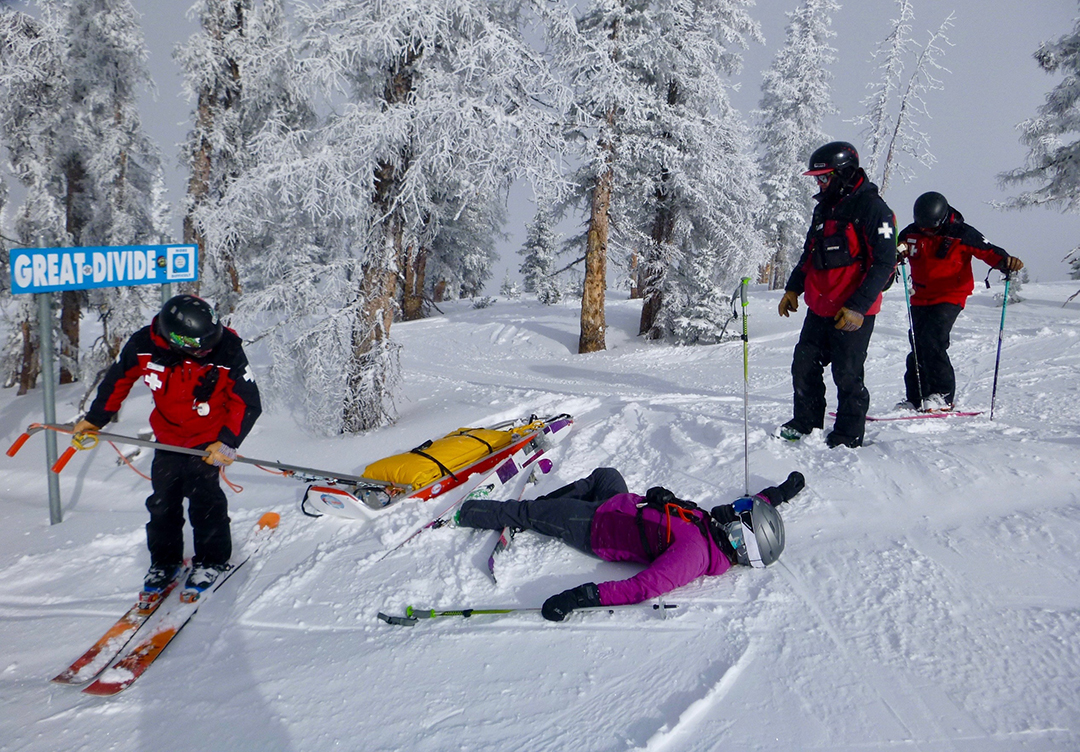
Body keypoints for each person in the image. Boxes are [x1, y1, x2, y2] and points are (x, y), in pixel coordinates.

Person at [71, 294, 261, 595]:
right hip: (169, 438)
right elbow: (117, 380)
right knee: (163, 502)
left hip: (207, 441)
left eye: (212, 340)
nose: (210, 348)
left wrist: (227, 442)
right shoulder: (143, 346)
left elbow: (248, 402)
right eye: (202, 346)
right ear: (177, 340)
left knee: (205, 501)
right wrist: (96, 419)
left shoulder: (227, 350)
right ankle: (165, 561)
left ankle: (211, 560)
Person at [455, 467, 805, 621]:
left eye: (741, 514)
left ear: (739, 539)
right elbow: (756, 502)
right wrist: (782, 492)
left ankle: (465, 512)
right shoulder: (715, 528)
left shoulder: (694, 555)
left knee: (525, 512)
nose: (735, 507)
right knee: (606, 475)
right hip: (620, 504)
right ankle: (551, 505)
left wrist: (577, 598)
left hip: (596, 527)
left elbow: (642, 588)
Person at [777, 141, 897, 448]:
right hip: (820, 306)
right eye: (817, 178)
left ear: (844, 173)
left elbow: (885, 262)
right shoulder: (824, 208)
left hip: (853, 311)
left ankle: (847, 434)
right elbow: (809, 252)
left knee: (847, 375)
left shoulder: (873, 209)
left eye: (824, 177)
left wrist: (857, 306)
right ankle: (805, 423)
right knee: (803, 365)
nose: (819, 184)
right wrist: (793, 287)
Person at [896, 191, 1025, 411]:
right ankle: (916, 398)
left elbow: (988, 251)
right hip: (921, 296)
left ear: (942, 218)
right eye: (922, 226)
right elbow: (899, 248)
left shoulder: (962, 233)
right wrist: (898, 253)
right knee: (918, 345)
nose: (926, 231)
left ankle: (942, 395)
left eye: (931, 227)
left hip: (950, 295)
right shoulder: (911, 232)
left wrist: (1006, 262)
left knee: (934, 341)